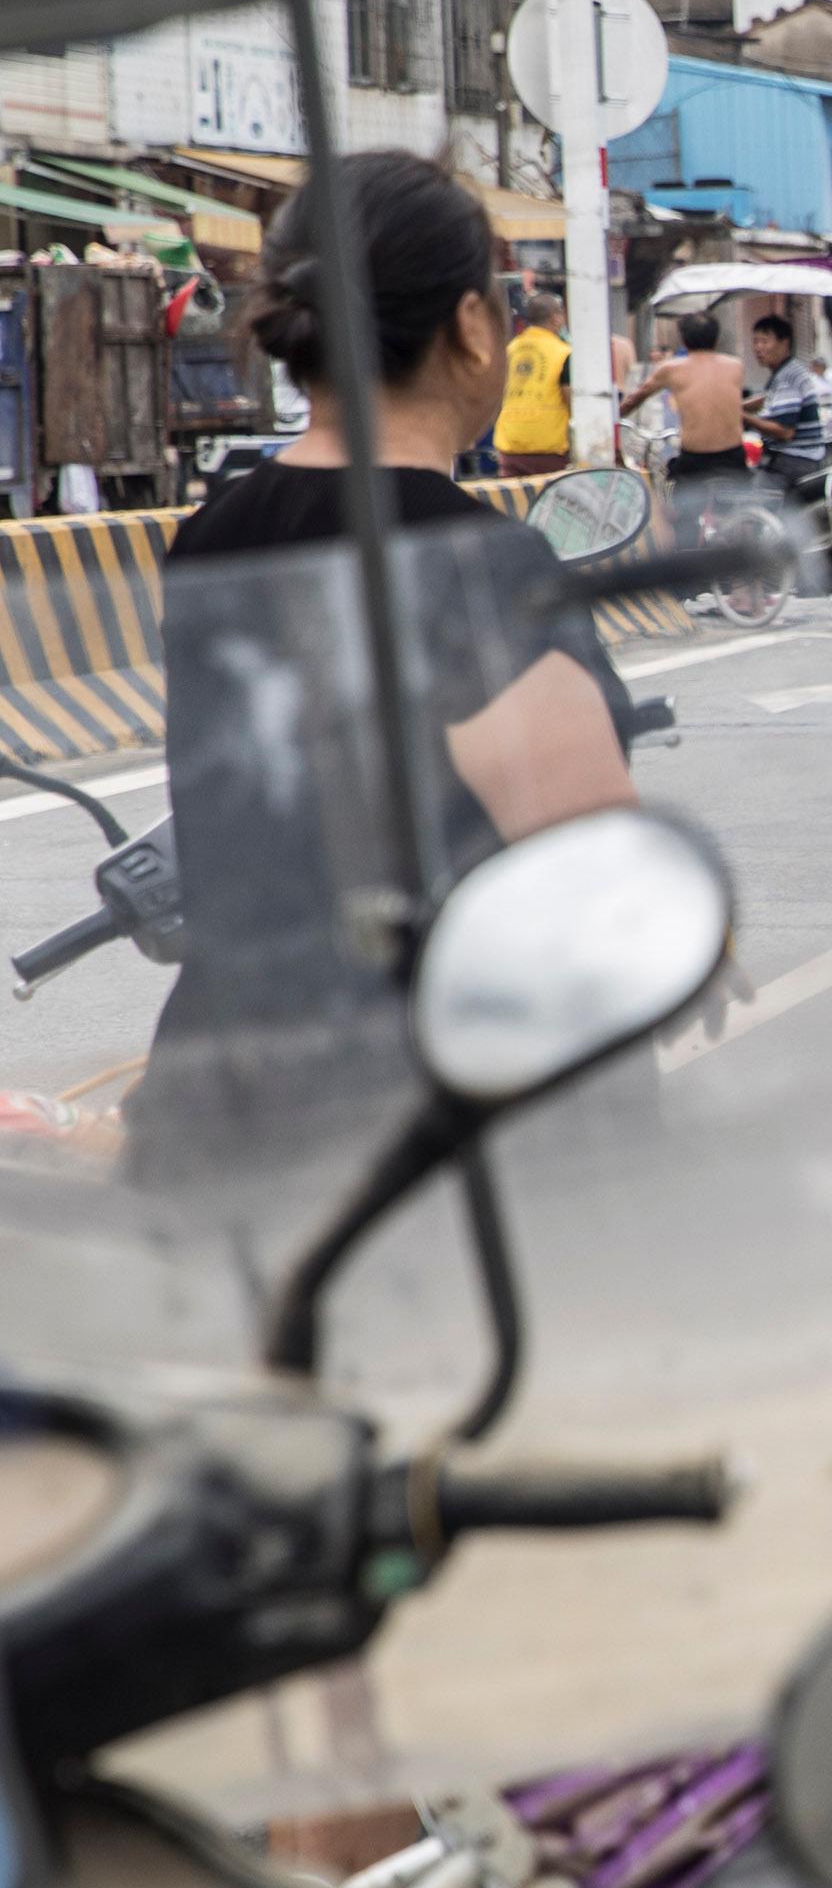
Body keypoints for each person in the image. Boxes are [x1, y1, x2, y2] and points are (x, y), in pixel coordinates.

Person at [141, 155, 639, 1173]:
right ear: (469, 323)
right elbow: (598, 890)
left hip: (219, 1092)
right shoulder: (472, 565)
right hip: (421, 1130)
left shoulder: (215, 530)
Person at [622, 309, 758, 536]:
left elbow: (635, 399)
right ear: (716, 338)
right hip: (732, 456)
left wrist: (612, 416)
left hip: (695, 460)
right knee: (736, 516)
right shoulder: (735, 366)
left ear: (684, 339)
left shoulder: (671, 369)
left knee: (682, 518)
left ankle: (688, 555)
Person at [494, 287, 577, 476]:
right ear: (556, 318)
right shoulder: (563, 352)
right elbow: (569, 398)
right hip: (548, 445)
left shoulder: (510, 349)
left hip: (510, 442)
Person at [748, 310, 829, 455]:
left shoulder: (788, 375)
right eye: (756, 341)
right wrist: (740, 405)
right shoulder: (785, 371)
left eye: (764, 341)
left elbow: (785, 431)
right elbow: (769, 397)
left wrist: (743, 417)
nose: (758, 348)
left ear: (784, 343)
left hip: (794, 458)